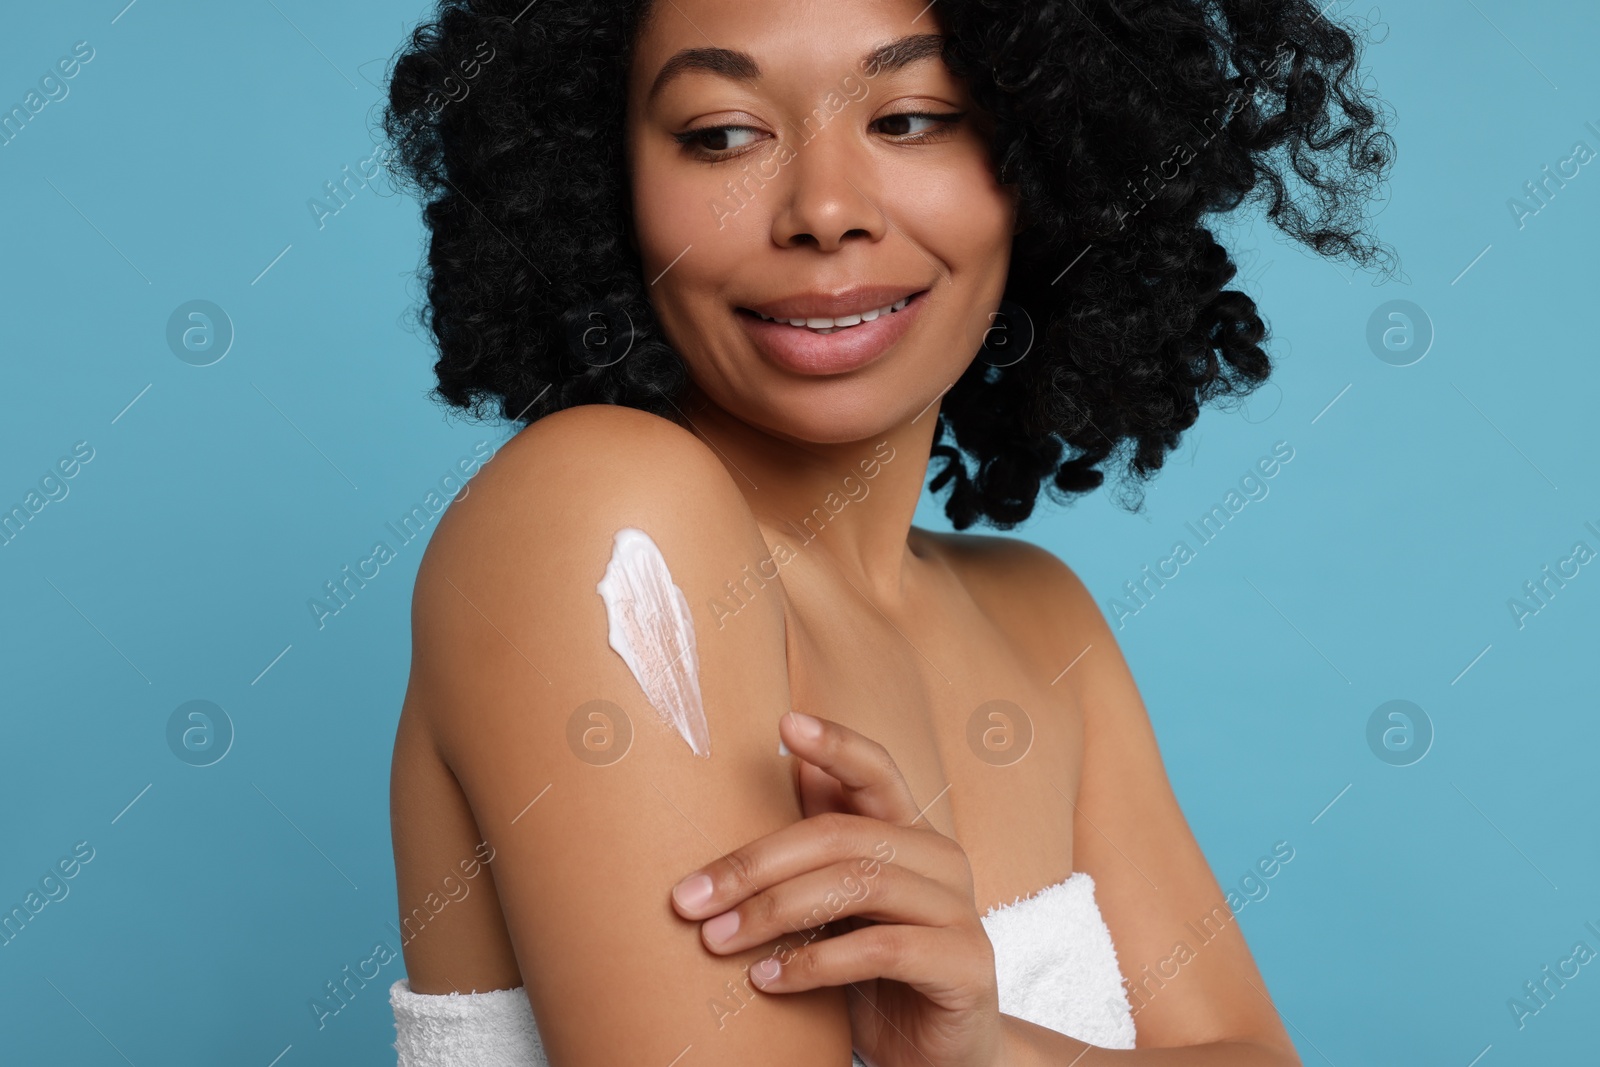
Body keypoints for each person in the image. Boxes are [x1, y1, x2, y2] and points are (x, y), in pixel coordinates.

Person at [379, 0, 1394, 1063]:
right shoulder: (596, 519)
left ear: (1046, 157)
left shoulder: (1039, 621)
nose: (824, 208)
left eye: (910, 118)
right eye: (721, 133)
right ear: (602, 182)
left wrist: (987, 1051)